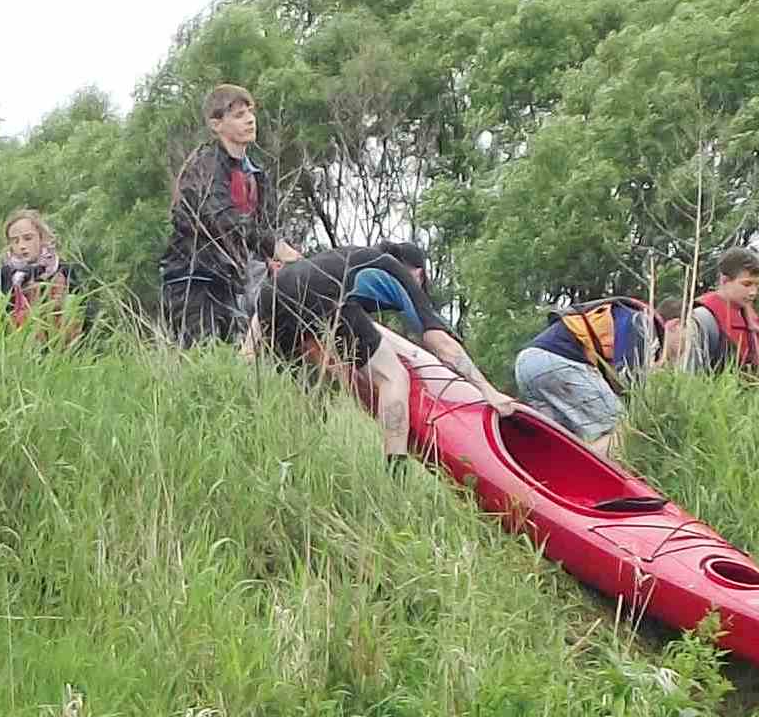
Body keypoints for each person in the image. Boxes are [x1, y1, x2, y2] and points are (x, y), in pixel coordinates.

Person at [255, 241, 509, 454]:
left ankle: (294, 455)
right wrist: (489, 391)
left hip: (269, 298)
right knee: (393, 376)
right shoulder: (394, 270)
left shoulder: (347, 257)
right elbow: (439, 341)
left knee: (314, 391)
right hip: (322, 294)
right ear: (418, 273)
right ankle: (396, 470)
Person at [158, 85, 299, 346]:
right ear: (216, 124)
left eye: (250, 112)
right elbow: (223, 220)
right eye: (238, 115)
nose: (249, 119)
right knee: (203, 357)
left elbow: (267, 224)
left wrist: (281, 255)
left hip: (234, 283)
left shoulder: (256, 175)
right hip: (194, 280)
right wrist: (274, 246)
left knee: (241, 358)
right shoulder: (204, 165)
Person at [514, 295, 662, 444]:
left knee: (566, 443)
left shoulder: (617, 313)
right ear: (675, 324)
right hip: (558, 362)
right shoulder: (640, 320)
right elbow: (627, 377)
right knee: (623, 431)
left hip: (526, 364)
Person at [675, 251, 759, 375]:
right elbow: (689, 374)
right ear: (724, 280)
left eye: (757, 285)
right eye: (746, 284)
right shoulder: (703, 318)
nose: (753, 292)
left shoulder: (752, 320)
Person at [0, 209, 83, 332]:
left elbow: (80, 308)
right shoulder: (5, 274)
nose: (22, 246)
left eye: (28, 238)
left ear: (41, 237)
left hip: (61, 339)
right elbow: (1, 316)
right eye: (15, 241)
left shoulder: (62, 268)